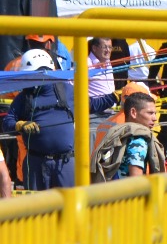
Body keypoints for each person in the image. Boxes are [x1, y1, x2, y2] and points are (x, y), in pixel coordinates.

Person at [2, 48, 113, 190]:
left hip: (65, 164)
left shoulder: (66, 90)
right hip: (36, 164)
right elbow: (7, 122)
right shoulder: (24, 97)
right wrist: (19, 125)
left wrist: (113, 98)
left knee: (69, 207)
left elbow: (92, 105)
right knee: (38, 209)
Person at [91, 91, 163, 182]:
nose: (155, 118)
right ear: (133, 112)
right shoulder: (138, 140)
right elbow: (136, 180)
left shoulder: (119, 132)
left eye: (155, 113)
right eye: (150, 113)